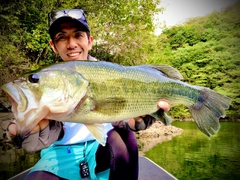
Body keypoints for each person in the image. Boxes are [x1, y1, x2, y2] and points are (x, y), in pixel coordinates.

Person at [7, 9, 170, 180]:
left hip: (103, 151)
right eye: (61, 37)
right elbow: (27, 136)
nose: (71, 44)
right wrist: (23, 135)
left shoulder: (110, 74)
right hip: (59, 156)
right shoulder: (49, 79)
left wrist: (139, 120)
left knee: (123, 137)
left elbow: (126, 121)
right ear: (53, 46)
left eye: (78, 35)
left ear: (90, 41)